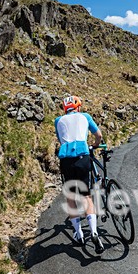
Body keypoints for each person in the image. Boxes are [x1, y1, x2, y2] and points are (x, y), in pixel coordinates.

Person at [55, 95, 105, 254]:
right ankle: (94, 232)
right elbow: (99, 135)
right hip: (83, 157)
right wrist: (95, 145)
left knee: (71, 197)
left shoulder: (58, 120)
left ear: (65, 108)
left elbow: (61, 139)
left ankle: (79, 234)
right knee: (86, 197)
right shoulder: (85, 116)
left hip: (67, 161)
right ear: (78, 107)